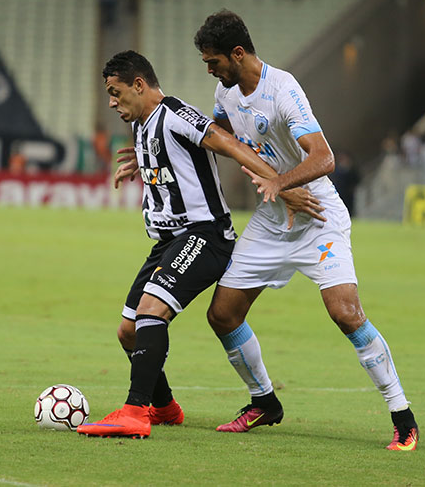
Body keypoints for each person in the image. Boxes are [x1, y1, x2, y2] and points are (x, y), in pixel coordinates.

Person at [193, 10, 419, 450]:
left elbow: (324, 157)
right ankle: (264, 402)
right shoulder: (225, 90)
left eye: (213, 60)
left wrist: (280, 182)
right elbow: (220, 134)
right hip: (274, 220)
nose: (210, 69)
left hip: (317, 216)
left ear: (237, 54)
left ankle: (402, 416)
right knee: (222, 314)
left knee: (345, 313)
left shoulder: (283, 89)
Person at [77, 51, 324, 439]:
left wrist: (281, 184)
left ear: (139, 85)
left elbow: (227, 144)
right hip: (167, 242)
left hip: (204, 236)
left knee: (151, 311)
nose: (111, 102)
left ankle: (135, 411)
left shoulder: (175, 113)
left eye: (116, 92)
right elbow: (177, 161)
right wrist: (142, 164)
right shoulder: (143, 124)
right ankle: (164, 408)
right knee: (129, 331)